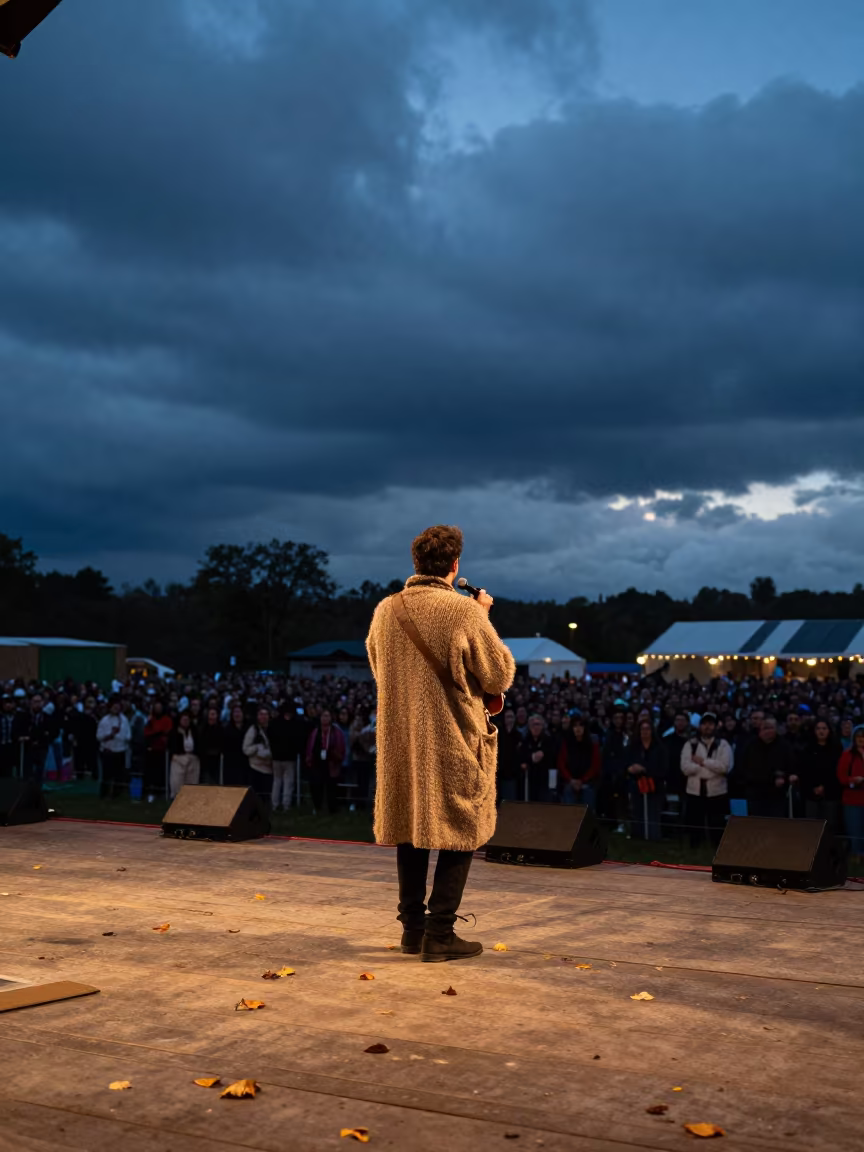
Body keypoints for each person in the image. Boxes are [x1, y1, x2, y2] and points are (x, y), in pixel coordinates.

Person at [366, 524, 515, 963]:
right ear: (454, 566)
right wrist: (482, 614)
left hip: (400, 739)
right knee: (461, 828)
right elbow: (498, 675)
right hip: (451, 736)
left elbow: (381, 671)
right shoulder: (464, 612)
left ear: (416, 564)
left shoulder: (384, 611)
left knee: (412, 827)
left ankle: (412, 930)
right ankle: (440, 934)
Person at [680, 712, 731, 848]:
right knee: (695, 821)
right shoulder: (690, 744)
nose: (707, 727)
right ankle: (695, 846)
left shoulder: (723, 745)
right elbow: (685, 768)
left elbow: (724, 767)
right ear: (700, 726)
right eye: (704, 724)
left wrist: (702, 762)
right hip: (695, 790)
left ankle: (717, 846)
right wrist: (708, 767)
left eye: (710, 724)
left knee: (717, 822)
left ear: (715, 726)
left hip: (717, 791)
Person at [739, 716, 796, 818]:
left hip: (777, 795)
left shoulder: (785, 746)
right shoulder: (750, 746)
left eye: (771, 728)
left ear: (776, 729)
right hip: (755, 793)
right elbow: (743, 768)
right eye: (765, 728)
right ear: (760, 730)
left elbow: (792, 767)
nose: (768, 731)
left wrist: (786, 777)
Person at [626, 718, 668, 840]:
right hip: (636, 783)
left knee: (653, 811)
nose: (645, 731)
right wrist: (630, 769)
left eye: (647, 729)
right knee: (637, 810)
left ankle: (653, 836)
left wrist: (644, 769)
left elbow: (663, 768)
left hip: (655, 784)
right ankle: (638, 835)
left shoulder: (660, 748)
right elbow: (625, 763)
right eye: (642, 729)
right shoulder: (633, 747)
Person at [799, 719, 842, 834]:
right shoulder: (807, 749)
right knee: (812, 826)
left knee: (830, 825)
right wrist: (813, 788)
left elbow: (838, 771)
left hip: (831, 793)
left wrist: (825, 787)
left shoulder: (837, 749)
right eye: (818, 728)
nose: (821, 731)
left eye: (824, 728)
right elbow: (803, 772)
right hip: (811, 794)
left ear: (829, 731)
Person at [305, 708, 346, 814]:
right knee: (316, 785)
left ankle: (332, 809)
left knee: (331, 787)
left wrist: (337, 756)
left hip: (331, 763)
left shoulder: (336, 732)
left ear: (331, 718)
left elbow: (341, 746)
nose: (325, 718)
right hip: (317, 763)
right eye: (323, 716)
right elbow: (310, 746)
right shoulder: (315, 731)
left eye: (327, 716)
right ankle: (317, 806)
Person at [557, 715, 601, 808]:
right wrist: (571, 780)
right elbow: (561, 764)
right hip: (570, 781)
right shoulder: (566, 742)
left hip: (588, 781)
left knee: (587, 793)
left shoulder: (593, 743)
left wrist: (582, 780)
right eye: (575, 726)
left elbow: (595, 765)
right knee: (568, 793)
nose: (578, 729)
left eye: (581, 726)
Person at [837, 725, 864, 858]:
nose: (861, 739)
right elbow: (841, 777)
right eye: (858, 736)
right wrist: (853, 780)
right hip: (852, 800)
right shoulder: (847, 755)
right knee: (855, 832)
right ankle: (856, 858)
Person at [96, 698, 131, 799]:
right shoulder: (104, 720)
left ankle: (116, 794)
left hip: (120, 750)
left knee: (119, 775)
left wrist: (119, 737)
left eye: (117, 707)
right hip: (107, 751)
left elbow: (128, 736)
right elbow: (99, 736)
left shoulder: (124, 720)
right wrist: (109, 735)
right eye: (114, 706)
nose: (116, 708)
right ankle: (104, 794)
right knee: (106, 774)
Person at [518, 714, 558, 802]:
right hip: (529, 780)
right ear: (529, 726)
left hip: (545, 780)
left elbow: (553, 757)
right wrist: (532, 757)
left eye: (538, 724)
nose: (535, 727)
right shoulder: (525, 740)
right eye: (533, 725)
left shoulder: (549, 740)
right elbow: (520, 757)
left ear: (542, 726)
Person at [269, 702, 300, 811]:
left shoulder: (274, 723)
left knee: (277, 781)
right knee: (288, 782)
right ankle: (286, 804)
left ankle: (275, 804)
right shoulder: (294, 724)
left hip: (276, 757)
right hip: (289, 758)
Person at [242, 706, 274, 808]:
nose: (263, 717)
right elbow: (246, 749)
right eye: (261, 714)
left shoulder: (273, 728)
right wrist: (257, 748)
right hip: (255, 766)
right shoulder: (253, 730)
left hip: (270, 767)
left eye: (265, 714)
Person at [143, 700, 172, 802]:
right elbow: (147, 733)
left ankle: (162, 793)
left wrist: (157, 734)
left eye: (160, 707)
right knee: (152, 773)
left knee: (162, 773)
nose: (158, 709)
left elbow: (167, 732)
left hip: (163, 751)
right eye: (156, 707)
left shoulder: (167, 719)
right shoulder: (151, 720)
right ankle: (151, 792)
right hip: (152, 750)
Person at [168, 711, 200, 797]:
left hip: (192, 758)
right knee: (177, 781)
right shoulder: (174, 732)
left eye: (187, 719)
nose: (185, 721)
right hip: (178, 758)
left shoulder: (194, 731)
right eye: (183, 719)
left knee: (191, 781)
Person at [495, 708, 522, 803]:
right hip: (499, 772)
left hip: (512, 773)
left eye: (511, 717)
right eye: (508, 717)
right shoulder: (499, 734)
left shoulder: (518, 735)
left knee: (510, 800)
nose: (510, 719)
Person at [222, 703, 250, 787]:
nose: (237, 714)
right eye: (235, 712)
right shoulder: (227, 728)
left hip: (246, 762)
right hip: (231, 763)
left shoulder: (249, 727)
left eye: (239, 712)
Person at [198, 706, 224, 785]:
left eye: (214, 714)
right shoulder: (202, 728)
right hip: (205, 760)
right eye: (211, 714)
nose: (212, 716)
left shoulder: (221, 729)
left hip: (217, 760)